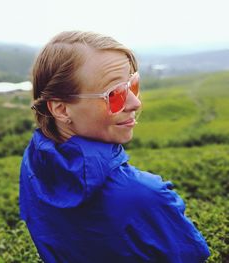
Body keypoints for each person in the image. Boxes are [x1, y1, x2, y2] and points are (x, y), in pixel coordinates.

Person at [19, 31, 210, 263]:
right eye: (115, 94)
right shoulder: (144, 196)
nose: (135, 102)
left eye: (133, 85)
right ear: (61, 109)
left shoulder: (34, 165)